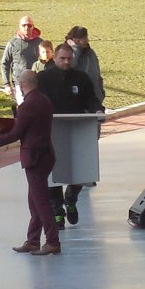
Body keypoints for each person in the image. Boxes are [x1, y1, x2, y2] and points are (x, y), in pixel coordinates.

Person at [0, 69, 60, 253]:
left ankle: (52, 241)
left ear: (21, 85)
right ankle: (33, 240)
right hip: (46, 154)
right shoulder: (44, 100)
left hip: (34, 157)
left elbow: (17, 132)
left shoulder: (27, 105)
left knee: (41, 202)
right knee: (35, 201)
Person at [38, 42, 104, 224]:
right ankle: (57, 209)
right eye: (62, 58)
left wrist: (97, 109)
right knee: (54, 171)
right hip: (52, 129)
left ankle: (71, 198)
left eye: (69, 59)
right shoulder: (43, 78)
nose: (66, 62)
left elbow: (91, 98)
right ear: (55, 58)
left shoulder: (81, 78)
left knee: (81, 168)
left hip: (77, 129)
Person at [0, 16, 43, 103]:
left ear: (33, 27)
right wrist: (6, 84)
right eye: (24, 25)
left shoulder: (40, 43)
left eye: (29, 25)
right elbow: (5, 63)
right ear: (19, 26)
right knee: (23, 106)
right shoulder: (13, 43)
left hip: (36, 83)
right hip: (19, 83)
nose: (26, 28)